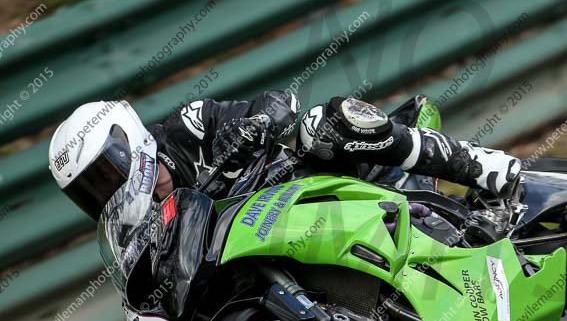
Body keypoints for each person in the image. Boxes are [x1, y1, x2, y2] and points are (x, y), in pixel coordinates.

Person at [48, 91, 522, 219]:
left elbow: (280, 103)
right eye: (95, 187)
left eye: (110, 171)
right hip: (303, 242)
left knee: (324, 123)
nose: (112, 188)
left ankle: (484, 167)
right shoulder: (143, 234)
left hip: (327, 182)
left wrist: (254, 124)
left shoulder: (187, 127)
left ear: (129, 139)